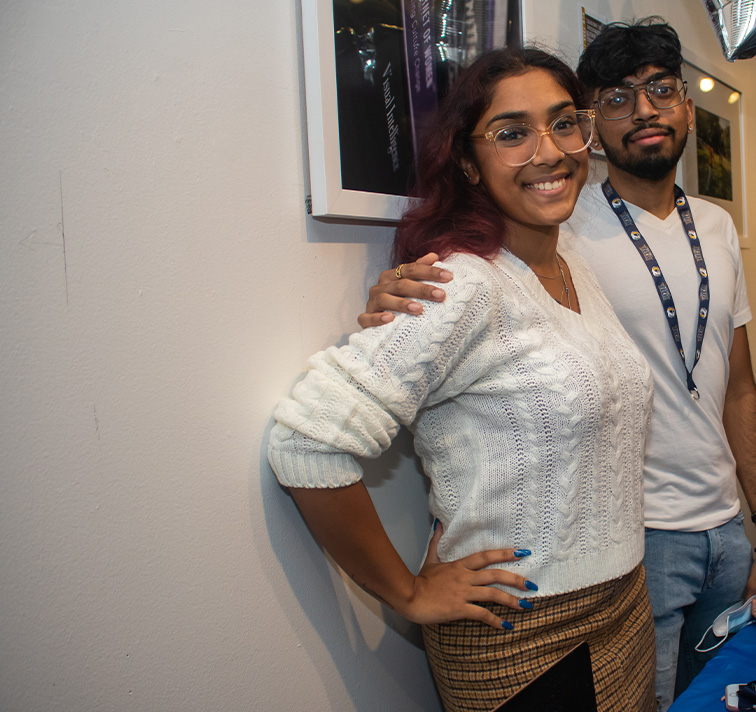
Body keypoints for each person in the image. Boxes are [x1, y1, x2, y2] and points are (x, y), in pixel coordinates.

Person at [358, 20, 756, 710]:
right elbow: (475, 284)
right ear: (596, 124)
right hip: (633, 543)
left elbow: (737, 386)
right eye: (616, 98)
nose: (645, 110)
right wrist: (401, 287)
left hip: (724, 529)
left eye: (661, 90)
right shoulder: (562, 216)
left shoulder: (715, 226)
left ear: (686, 105)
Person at [268, 48, 655, 712]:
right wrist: (410, 593)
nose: (549, 150)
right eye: (512, 133)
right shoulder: (465, 283)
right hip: (521, 634)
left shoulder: (574, 267)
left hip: (624, 609)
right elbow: (306, 442)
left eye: (564, 124)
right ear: (470, 162)